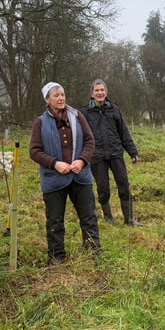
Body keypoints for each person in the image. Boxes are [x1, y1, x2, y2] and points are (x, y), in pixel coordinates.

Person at [30, 81, 101, 264]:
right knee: (55, 221)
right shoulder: (40, 122)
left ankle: (93, 253)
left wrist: (82, 160)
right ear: (47, 100)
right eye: (56, 95)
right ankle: (56, 257)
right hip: (54, 180)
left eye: (62, 94)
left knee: (88, 217)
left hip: (80, 175)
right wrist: (54, 164)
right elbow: (35, 151)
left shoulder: (77, 116)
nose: (61, 98)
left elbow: (90, 141)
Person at [81, 79, 141, 226]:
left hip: (115, 153)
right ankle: (109, 219)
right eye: (97, 90)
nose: (100, 93)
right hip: (97, 156)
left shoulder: (114, 109)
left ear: (106, 92)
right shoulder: (84, 112)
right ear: (92, 94)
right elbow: (81, 136)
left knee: (124, 186)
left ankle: (129, 219)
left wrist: (132, 151)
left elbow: (124, 132)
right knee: (103, 189)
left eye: (102, 90)